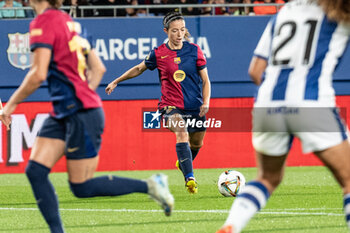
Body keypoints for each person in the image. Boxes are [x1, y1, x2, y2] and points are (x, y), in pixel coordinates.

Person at [0, 0, 174, 232]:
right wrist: (81, 95)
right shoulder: (71, 23)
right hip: (67, 110)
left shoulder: (41, 22)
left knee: (81, 187)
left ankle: (151, 185)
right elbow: (99, 68)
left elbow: (38, 73)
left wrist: (9, 106)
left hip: (79, 112)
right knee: (35, 170)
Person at [217, 0, 350, 232]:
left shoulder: (285, 11)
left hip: (267, 104)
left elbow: (255, 71)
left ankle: (231, 225)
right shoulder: (340, 9)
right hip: (311, 102)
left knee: (267, 178)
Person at [106, 11, 211, 194]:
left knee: (197, 144)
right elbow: (139, 68)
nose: (179, 35)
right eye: (174, 31)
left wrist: (206, 101)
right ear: (166, 31)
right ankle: (190, 178)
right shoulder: (159, 53)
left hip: (195, 106)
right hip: (170, 106)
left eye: (182, 30)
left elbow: (206, 80)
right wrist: (116, 80)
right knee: (181, 132)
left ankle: (183, 163)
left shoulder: (194, 50)